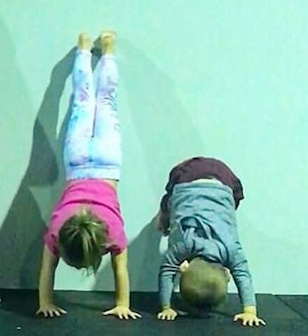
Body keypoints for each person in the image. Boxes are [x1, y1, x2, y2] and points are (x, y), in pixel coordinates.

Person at [36, 32, 139, 320]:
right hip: (78, 161)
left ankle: (106, 50)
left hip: (107, 163)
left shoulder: (113, 233)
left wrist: (123, 302)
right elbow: (47, 269)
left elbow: (120, 271)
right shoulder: (59, 229)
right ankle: (86, 49)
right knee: (85, 101)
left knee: (105, 102)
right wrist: (122, 306)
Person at [155, 157, 264, 327]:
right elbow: (167, 272)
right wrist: (166, 306)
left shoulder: (230, 250)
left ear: (226, 274)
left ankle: (166, 213)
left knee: (228, 205)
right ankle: (164, 213)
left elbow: (243, 276)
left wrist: (249, 310)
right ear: (184, 268)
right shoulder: (182, 245)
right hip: (186, 178)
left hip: (223, 180)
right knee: (172, 201)